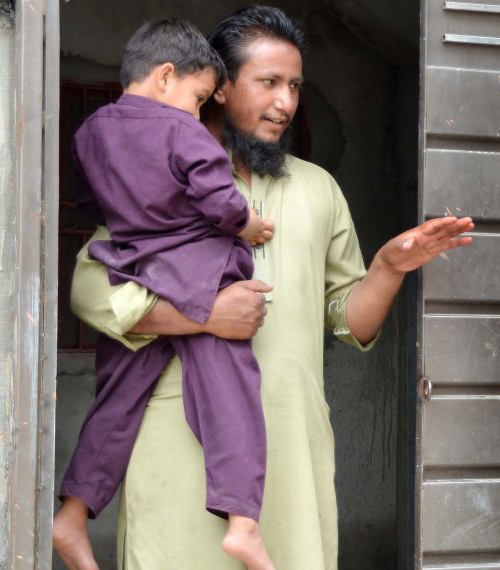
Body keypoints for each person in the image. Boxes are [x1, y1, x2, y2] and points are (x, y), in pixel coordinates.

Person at [64, 6, 473, 569]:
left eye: (295, 87)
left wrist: (387, 268)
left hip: (290, 444)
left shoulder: (319, 188)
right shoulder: (160, 174)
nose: (286, 103)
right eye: (269, 83)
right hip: (177, 442)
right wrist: (203, 315)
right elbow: (90, 289)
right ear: (221, 88)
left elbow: (349, 326)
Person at [54, 18, 280, 570]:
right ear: (164, 76)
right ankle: (243, 522)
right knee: (231, 389)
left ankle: (73, 513)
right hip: (198, 268)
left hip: (131, 266)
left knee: (117, 398)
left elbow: (87, 203)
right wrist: (247, 223)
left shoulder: (89, 132)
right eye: (199, 97)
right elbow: (219, 199)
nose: (200, 111)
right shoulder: (183, 132)